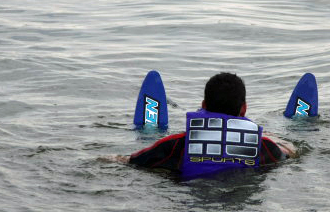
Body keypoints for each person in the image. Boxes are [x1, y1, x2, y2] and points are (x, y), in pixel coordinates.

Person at [110, 72, 298, 178]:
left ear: (204, 106)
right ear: (244, 109)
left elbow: (129, 161)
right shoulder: (263, 146)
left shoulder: (177, 144)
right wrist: (274, 138)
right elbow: (290, 153)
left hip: (191, 201)